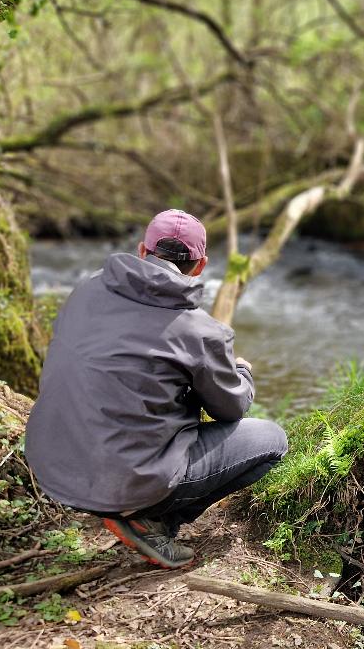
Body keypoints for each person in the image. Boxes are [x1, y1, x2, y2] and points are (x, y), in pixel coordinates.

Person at [25, 209, 288, 568]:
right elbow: (231, 409)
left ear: (142, 251)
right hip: (124, 481)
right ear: (200, 266)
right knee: (273, 440)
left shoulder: (86, 289)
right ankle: (152, 520)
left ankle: (136, 509)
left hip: (52, 464)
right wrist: (242, 373)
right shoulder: (201, 331)